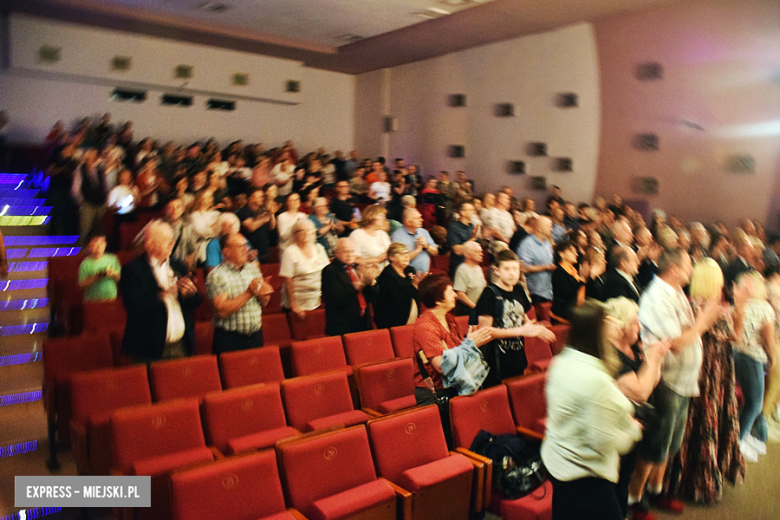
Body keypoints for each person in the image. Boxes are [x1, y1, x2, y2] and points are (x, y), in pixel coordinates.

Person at [628, 248, 721, 517]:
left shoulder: (676, 292)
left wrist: (701, 318)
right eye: (688, 265)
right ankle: (635, 499)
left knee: (670, 444)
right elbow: (678, 343)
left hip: (682, 380)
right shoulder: (656, 298)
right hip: (665, 380)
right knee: (655, 444)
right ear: (674, 270)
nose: (692, 269)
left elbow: (685, 331)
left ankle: (657, 492)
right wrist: (702, 322)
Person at [542, 301, 644, 520]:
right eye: (610, 323)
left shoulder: (561, 361)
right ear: (599, 331)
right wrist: (632, 431)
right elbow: (603, 441)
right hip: (585, 476)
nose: (616, 328)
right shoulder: (595, 379)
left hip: (560, 465)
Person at [665, 258, 745, 504]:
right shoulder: (707, 306)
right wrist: (739, 308)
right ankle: (697, 481)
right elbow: (733, 336)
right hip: (711, 370)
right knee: (705, 419)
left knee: (693, 422)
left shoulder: (693, 302)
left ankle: (679, 480)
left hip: (706, 369)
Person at [604, 297, 670, 519]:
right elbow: (641, 392)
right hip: (616, 427)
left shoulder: (632, 346)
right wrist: (652, 363)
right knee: (615, 481)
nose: (639, 327)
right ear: (621, 325)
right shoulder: (610, 355)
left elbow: (652, 383)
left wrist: (655, 362)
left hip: (635, 424)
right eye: (634, 322)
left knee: (625, 479)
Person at [412, 274, 493, 443]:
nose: (456, 294)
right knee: (447, 442)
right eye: (451, 291)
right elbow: (442, 366)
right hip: (436, 392)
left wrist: (469, 343)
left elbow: (456, 351)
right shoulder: (425, 326)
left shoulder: (448, 318)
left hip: (454, 385)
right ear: (439, 299)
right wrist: (470, 345)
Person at [120, 221, 202, 362]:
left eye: (172, 239)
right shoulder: (132, 270)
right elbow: (134, 306)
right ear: (149, 244)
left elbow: (196, 302)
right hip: (148, 349)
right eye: (165, 240)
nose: (171, 243)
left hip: (181, 345)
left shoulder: (178, 265)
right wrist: (163, 295)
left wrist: (189, 293)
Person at [474, 249, 555, 387]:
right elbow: (485, 332)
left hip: (517, 359)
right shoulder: (489, 294)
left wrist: (537, 328)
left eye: (515, 269)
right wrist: (520, 331)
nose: (512, 273)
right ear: (497, 270)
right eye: (507, 269)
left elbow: (524, 321)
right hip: (495, 364)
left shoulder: (518, 289)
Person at [732, 271, 775, 461]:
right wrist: (772, 358)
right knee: (755, 404)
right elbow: (768, 340)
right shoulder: (765, 309)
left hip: (737, 354)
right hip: (753, 357)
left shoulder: (741, 305)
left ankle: (744, 435)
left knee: (748, 401)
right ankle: (739, 441)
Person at [206, 233, 272, 354]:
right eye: (240, 246)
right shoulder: (216, 275)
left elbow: (264, 303)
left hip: (256, 336)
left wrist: (265, 292)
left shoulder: (253, 269)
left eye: (246, 245)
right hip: (230, 340)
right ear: (226, 251)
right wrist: (249, 293)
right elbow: (221, 311)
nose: (246, 249)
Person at [321, 238, 381, 336]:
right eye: (345, 251)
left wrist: (371, 282)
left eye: (352, 251)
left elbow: (373, 297)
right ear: (337, 253)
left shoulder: (358, 267)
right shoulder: (329, 271)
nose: (349, 254)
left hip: (363, 322)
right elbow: (339, 298)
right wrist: (362, 282)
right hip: (343, 325)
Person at [279, 220, 329, 319]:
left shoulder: (319, 248)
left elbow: (327, 273)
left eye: (309, 230)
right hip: (297, 304)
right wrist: (294, 305)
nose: (306, 233)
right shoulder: (290, 252)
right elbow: (288, 280)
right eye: (302, 230)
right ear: (295, 234)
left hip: (316, 301)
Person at [374, 243, 421, 329]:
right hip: (393, 321)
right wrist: (414, 285)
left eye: (407, 253)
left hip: (413, 318)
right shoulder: (387, 275)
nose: (406, 256)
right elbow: (397, 299)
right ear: (391, 257)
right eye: (402, 254)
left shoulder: (409, 270)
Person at [517, 216, 556, 304]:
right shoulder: (527, 244)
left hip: (548, 290)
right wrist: (545, 267)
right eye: (548, 226)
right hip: (535, 292)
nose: (551, 229)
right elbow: (523, 268)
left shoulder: (547, 243)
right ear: (539, 228)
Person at [550, 240, 589, 323]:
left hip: (575, 311)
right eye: (572, 251)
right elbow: (569, 294)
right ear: (561, 254)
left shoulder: (574, 271)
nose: (576, 254)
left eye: (576, 252)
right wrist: (582, 279)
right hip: (563, 313)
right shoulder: (559, 273)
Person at [391, 208, 437, 274]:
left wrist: (426, 246)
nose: (422, 220)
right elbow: (398, 260)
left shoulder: (423, 232)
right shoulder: (397, 236)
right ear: (408, 222)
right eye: (418, 218)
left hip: (424, 275)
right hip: (407, 276)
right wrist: (418, 250)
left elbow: (435, 252)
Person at [78, 233, 121, 301]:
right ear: (89, 246)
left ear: (105, 244)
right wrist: (95, 277)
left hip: (111, 298)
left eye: (101, 243)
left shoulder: (112, 259)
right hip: (93, 300)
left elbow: (120, 277)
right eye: (95, 244)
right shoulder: (85, 264)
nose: (99, 247)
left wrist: (113, 273)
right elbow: (81, 284)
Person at [237, 188, 275, 263]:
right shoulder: (244, 211)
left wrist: (272, 214)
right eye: (259, 197)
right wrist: (264, 219)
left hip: (265, 251)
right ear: (251, 198)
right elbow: (251, 227)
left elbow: (271, 227)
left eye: (262, 197)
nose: (262, 199)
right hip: (251, 253)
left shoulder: (262, 209)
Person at [452, 241, 487, 317]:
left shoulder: (479, 268)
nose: (481, 254)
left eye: (481, 251)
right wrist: (475, 307)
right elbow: (460, 294)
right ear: (467, 254)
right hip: (468, 312)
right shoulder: (462, 269)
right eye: (477, 252)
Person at [447, 200, 479, 277]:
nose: (473, 212)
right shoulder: (454, 228)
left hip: (471, 264)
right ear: (462, 212)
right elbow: (457, 251)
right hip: (459, 266)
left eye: (473, 210)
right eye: (470, 210)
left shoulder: (471, 226)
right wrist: (473, 238)